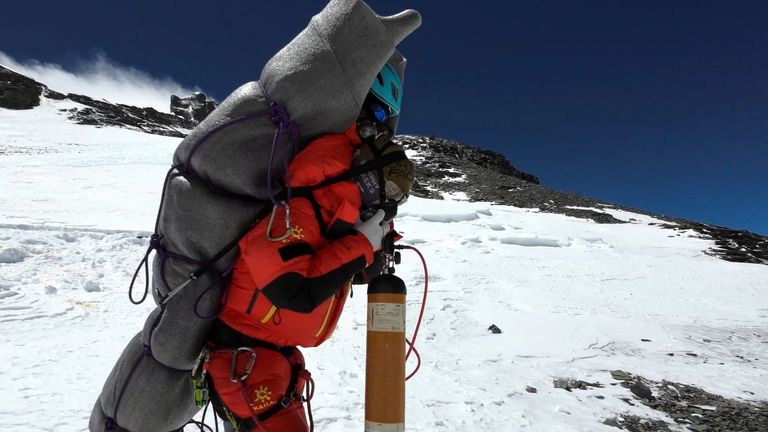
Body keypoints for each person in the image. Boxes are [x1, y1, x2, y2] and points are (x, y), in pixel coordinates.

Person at [199, 63, 415, 432]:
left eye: (386, 120)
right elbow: (292, 290)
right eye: (376, 114)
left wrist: (370, 250)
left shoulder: (329, 206)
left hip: (273, 365)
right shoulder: (296, 205)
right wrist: (361, 243)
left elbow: (338, 272)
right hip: (248, 365)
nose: (381, 129)